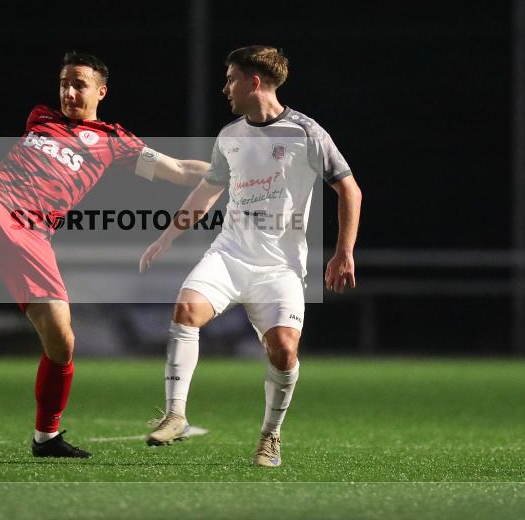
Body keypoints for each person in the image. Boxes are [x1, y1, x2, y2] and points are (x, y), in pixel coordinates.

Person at [0, 51, 209, 458]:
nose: (68, 91)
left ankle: (46, 438)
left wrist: (232, 171)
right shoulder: (40, 118)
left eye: (79, 84)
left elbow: (178, 170)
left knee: (61, 340)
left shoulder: (114, 141)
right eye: (64, 83)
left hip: (33, 235)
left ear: (101, 91)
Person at [139, 45, 361, 467]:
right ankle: (175, 414)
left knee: (284, 352)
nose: (225, 88)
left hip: (280, 267)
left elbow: (349, 189)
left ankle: (270, 436)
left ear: (253, 82)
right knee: (186, 309)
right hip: (230, 254)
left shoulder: (306, 133)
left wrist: (343, 252)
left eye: (230, 78)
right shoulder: (229, 136)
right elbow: (208, 191)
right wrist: (166, 237)